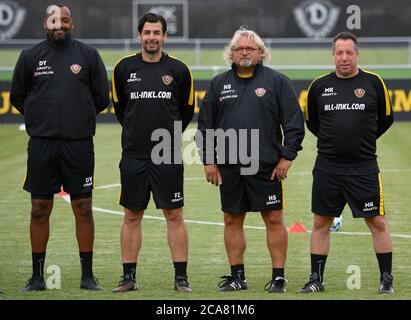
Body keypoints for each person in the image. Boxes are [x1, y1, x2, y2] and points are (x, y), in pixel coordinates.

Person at [196, 27, 305, 293]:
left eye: (250, 48)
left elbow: (294, 124)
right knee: (232, 220)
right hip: (230, 166)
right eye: (239, 49)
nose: (244, 52)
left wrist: (287, 157)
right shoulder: (219, 83)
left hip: (266, 167)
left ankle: (278, 277)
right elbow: (205, 126)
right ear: (231, 54)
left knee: (274, 217)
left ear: (261, 53)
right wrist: (209, 161)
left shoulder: (277, 82)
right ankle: (237, 277)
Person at [10, 4, 110, 291]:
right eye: (54, 21)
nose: (59, 25)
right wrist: (39, 116)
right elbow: (18, 95)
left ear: (72, 24)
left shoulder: (88, 56)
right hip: (42, 145)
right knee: (39, 209)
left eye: (64, 21)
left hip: (78, 145)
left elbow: (101, 96)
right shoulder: (30, 57)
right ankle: (37, 276)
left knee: (83, 208)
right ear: (45, 24)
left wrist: (80, 117)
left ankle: (87, 276)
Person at [299, 31, 394, 294]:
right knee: (321, 223)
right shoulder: (318, 86)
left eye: (349, 53)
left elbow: (386, 119)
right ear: (332, 55)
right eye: (339, 53)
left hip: (363, 167)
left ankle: (386, 280)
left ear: (357, 54)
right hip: (327, 167)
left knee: (377, 222)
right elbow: (313, 123)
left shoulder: (374, 83)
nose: (344, 58)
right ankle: (316, 279)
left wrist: (360, 140)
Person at [111, 13, 194, 293]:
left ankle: (181, 278)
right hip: (134, 154)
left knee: (174, 215)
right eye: (147, 32)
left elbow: (186, 111)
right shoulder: (123, 68)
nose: (152, 37)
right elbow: (121, 109)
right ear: (139, 35)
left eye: (157, 33)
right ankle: (128, 278)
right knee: (132, 215)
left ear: (164, 36)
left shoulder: (179, 70)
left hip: (166, 153)